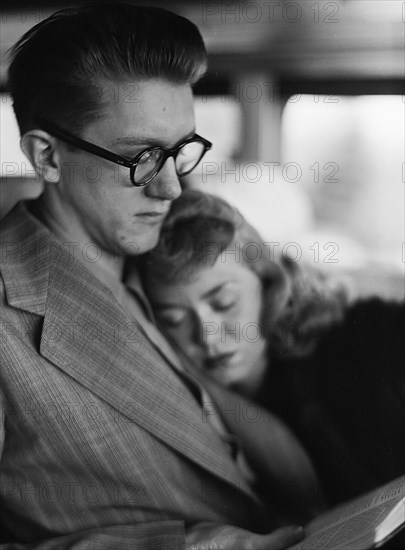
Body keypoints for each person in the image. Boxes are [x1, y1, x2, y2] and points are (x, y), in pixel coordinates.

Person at [0, 3, 311, 549]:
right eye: (141, 156)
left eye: (179, 150)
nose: (169, 188)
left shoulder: (168, 259)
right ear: (46, 157)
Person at [143, 188, 405, 507]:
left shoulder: (374, 336)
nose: (208, 336)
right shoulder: (189, 411)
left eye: (225, 303)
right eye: (173, 320)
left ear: (267, 280)